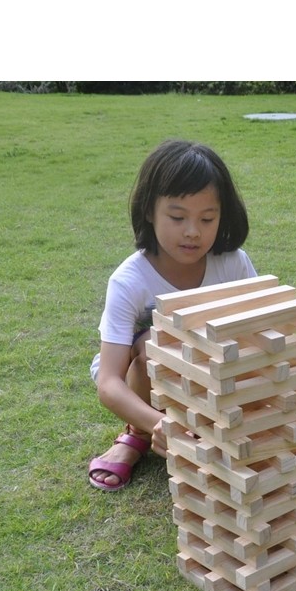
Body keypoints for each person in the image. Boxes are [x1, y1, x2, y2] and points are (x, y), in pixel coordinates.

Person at [88, 139, 257, 491]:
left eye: (207, 218)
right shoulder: (129, 281)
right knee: (156, 343)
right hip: (144, 379)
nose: (193, 231)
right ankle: (136, 435)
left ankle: (214, 426)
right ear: (149, 211)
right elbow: (109, 383)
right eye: (178, 217)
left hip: (212, 374)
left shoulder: (233, 264)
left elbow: (259, 333)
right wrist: (158, 424)